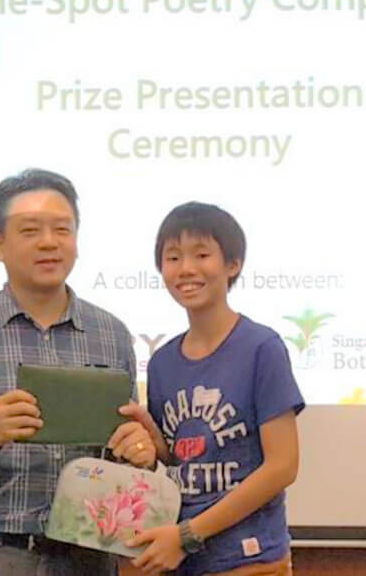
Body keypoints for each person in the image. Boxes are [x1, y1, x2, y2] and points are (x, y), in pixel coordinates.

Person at [0, 168, 156, 576]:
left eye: (62, 229)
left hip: (86, 556)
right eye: (30, 230)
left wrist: (139, 453)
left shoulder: (111, 333)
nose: (49, 242)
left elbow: (121, 451)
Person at [115, 202, 305, 575]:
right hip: (184, 561)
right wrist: (149, 438)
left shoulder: (261, 347)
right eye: (172, 257)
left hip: (249, 559)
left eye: (202, 255)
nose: (186, 268)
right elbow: (182, 458)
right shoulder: (162, 362)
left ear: (232, 264)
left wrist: (187, 535)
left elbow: (283, 466)